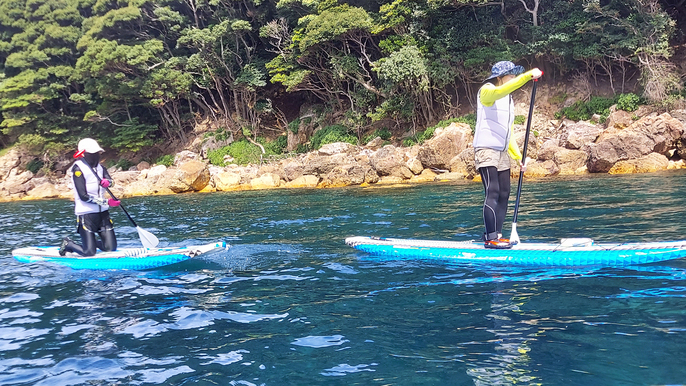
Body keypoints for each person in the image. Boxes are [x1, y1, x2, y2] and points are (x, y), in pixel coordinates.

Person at [473, 61, 542, 249]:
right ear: (499, 78)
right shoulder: (487, 91)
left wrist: (518, 157)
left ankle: (499, 234)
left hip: (502, 151)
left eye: (514, 75)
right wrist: (527, 76)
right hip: (486, 149)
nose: (513, 79)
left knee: (505, 193)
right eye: (510, 76)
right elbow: (499, 92)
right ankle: (490, 237)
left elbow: (508, 133)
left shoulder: (509, 100)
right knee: (493, 191)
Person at [59, 138, 120, 256]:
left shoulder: (101, 168)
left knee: (111, 248)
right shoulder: (78, 169)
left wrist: (108, 182)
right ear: (84, 154)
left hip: (103, 214)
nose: (96, 156)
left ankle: (91, 242)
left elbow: (111, 181)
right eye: (92, 154)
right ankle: (69, 244)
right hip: (86, 215)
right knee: (89, 252)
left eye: (97, 153)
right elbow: (83, 196)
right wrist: (107, 202)